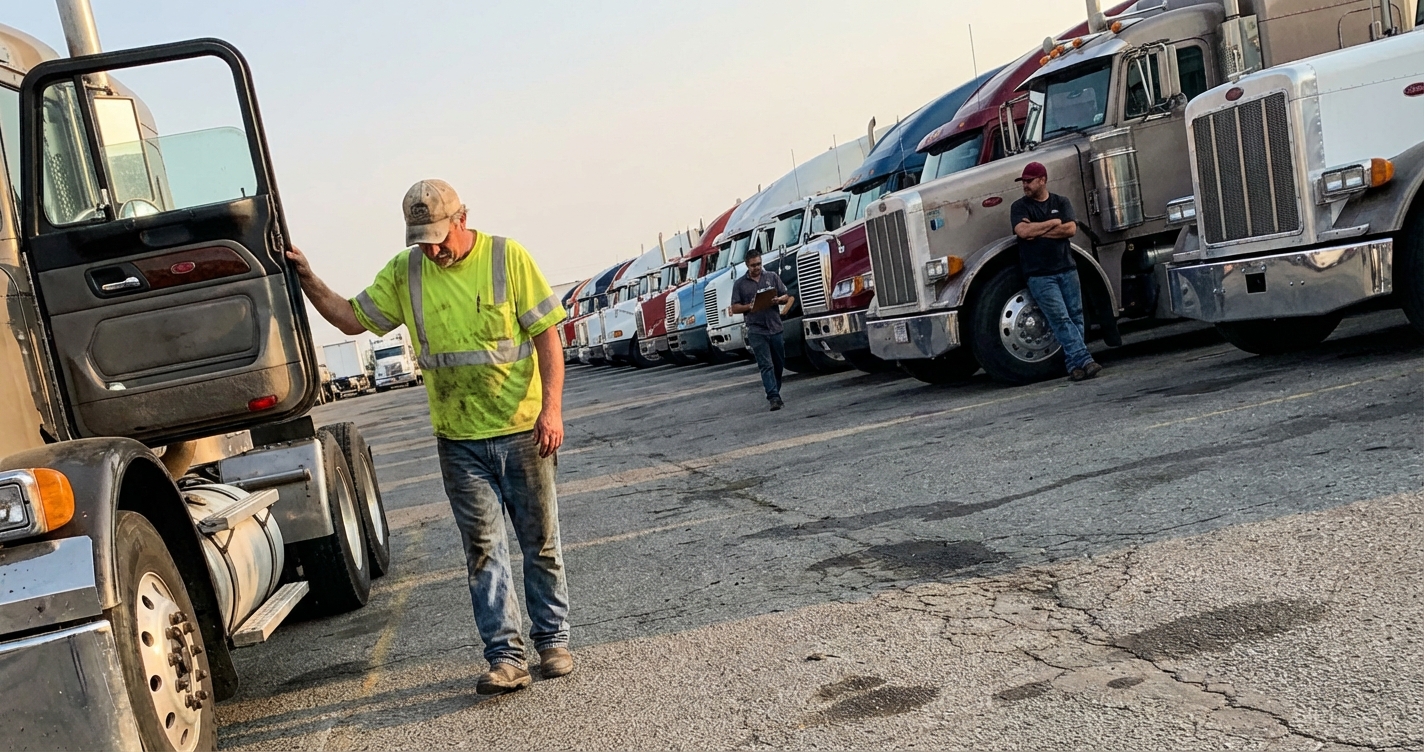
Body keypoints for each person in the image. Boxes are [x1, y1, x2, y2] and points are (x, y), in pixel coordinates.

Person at [285, 179, 573, 695]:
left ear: (462, 219)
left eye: (438, 238)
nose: (432, 250)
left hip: (522, 433)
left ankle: (552, 639)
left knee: (540, 543)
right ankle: (506, 657)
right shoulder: (407, 271)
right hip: (459, 441)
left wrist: (551, 411)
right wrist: (309, 280)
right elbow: (351, 319)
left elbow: (547, 337)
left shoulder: (507, 258)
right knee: (483, 551)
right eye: (421, 241)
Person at [1010, 162, 1102, 381]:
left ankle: (1073, 365)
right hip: (1039, 274)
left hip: (1066, 268)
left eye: (1029, 181)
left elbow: (1070, 229)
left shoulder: (1061, 201)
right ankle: (1085, 359)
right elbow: (1023, 231)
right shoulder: (1019, 207)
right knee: (1060, 318)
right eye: (1023, 181)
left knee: (1075, 316)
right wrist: (1053, 222)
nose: (1025, 185)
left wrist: (1038, 230)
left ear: (1043, 180)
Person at [729, 248, 794, 410]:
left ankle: (775, 391)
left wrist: (779, 300)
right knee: (766, 365)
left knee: (778, 363)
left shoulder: (772, 277)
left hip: (775, 327)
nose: (756, 267)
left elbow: (786, 295)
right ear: (747, 265)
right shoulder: (740, 284)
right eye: (753, 265)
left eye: (758, 264)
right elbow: (734, 307)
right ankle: (773, 397)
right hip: (756, 329)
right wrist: (749, 306)